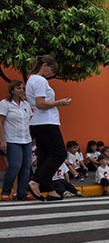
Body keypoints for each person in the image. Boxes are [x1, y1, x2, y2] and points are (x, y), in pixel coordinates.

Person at [25, 55, 71, 201]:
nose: (50, 74)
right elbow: (40, 104)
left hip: (38, 123)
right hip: (47, 122)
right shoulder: (39, 80)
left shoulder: (31, 79)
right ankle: (35, 181)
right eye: (50, 70)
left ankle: (48, 188)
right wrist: (60, 102)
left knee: (44, 156)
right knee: (60, 154)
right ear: (44, 65)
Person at [0, 80, 34, 201]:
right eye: (19, 88)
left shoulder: (26, 105)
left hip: (26, 139)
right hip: (12, 139)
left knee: (26, 166)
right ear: (12, 90)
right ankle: (6, 191)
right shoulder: (5, 104)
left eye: (23, 88)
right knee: (14, 165)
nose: (22, 90)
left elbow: (31, 121)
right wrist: (2, 140)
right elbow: (0, 122)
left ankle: (22, 192)